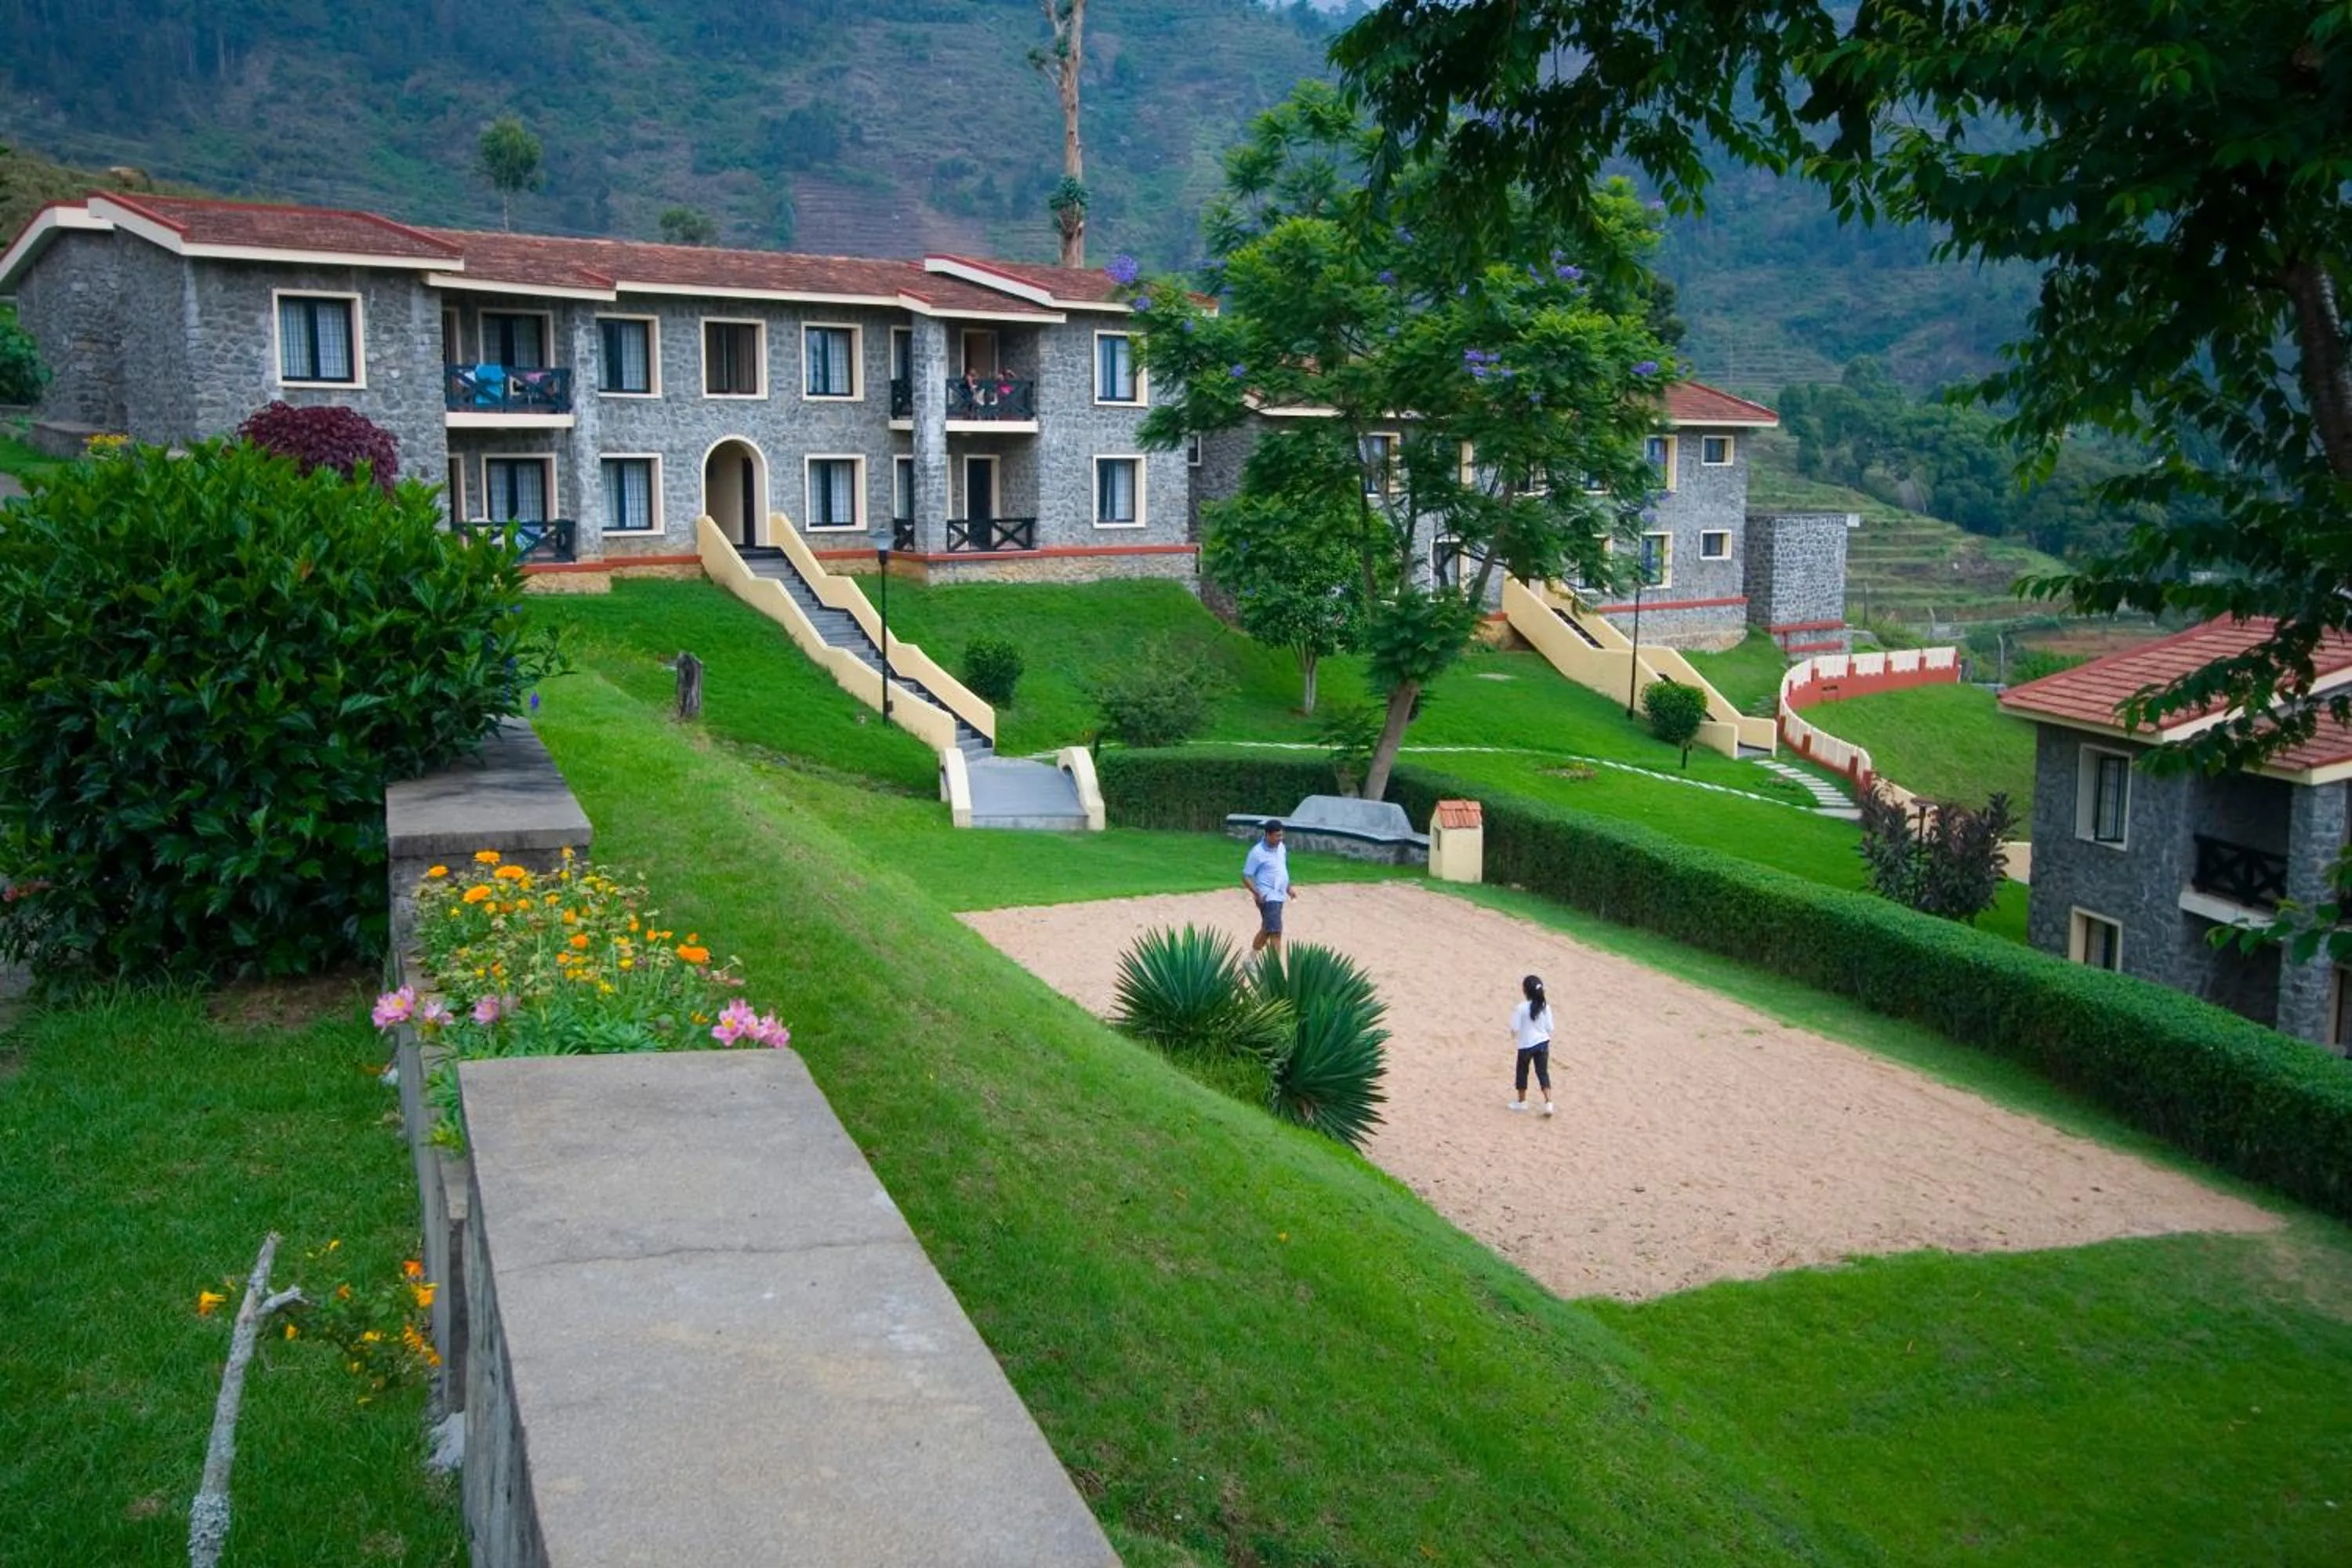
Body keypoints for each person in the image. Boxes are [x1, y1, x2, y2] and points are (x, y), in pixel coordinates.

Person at [1241, 818, 1297, 956]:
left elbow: (1281, 869)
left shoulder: (1281, 847)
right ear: (1267, 835)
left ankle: (1250, 960)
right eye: (1277, 836)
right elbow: (1246, 876)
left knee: (1267, 929)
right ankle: (1274, 970)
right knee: (1276, 932)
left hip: (1279, 895)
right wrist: (1257, 893)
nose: (1281, 838)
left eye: (1281, 835)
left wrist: (1288, 888)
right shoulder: (1257, 853)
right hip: (1268, 896)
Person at [1508, 974, 1555, 1116]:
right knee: (1542, 1072)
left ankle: (1522, 1101)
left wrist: (1514, 1035)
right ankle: (1548, 1102)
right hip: (1542, 1043)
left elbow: (1515, 1029)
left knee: (1522, 1072)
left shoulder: (1521, 1008)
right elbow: (1550, 1028)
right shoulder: (1545, 1007)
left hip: (1526, 1045)